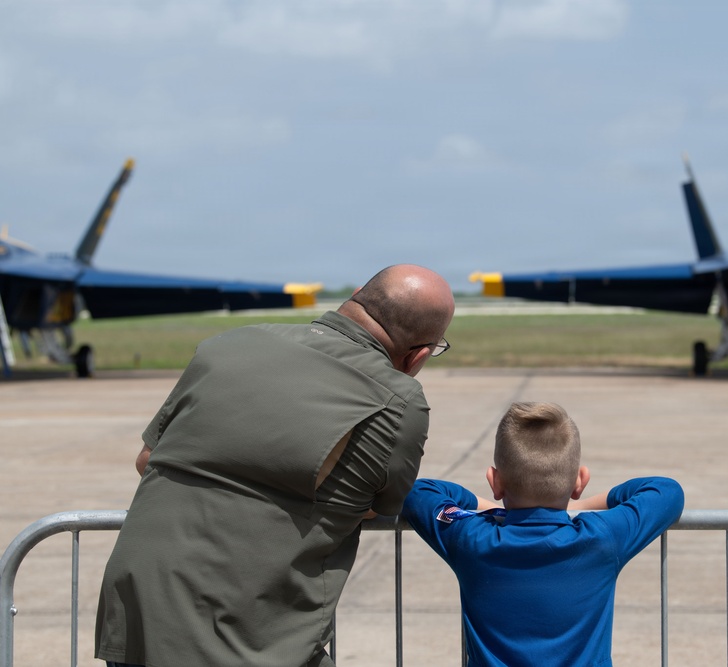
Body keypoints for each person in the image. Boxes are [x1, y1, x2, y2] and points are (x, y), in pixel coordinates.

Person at [95, 264, 455, 667]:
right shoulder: (399, 400)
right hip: (247, 631)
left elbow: (148, 459)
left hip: (137, 607)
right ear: (419, 355)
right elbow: (376, 506)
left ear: (356, 295)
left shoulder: (228, 344)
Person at [401, 401, 685, 667]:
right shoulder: (601, 538)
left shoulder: (473, 540)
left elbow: (418, 492)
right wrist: (579, 506)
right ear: (580, 481)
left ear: (495, 482)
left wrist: (493, 509)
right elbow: (666, 491)